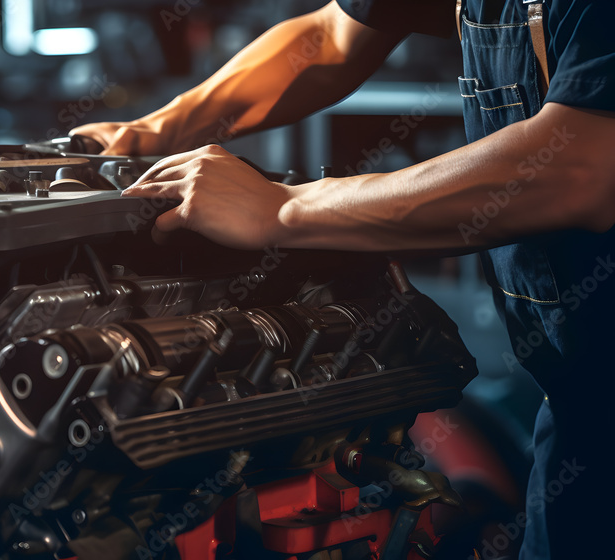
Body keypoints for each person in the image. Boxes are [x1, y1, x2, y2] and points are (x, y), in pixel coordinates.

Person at [72, 1, 615, 558]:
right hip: (578, 397)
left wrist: (282, 210)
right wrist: (150, 134)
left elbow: (580, 166)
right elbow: (334, 37)